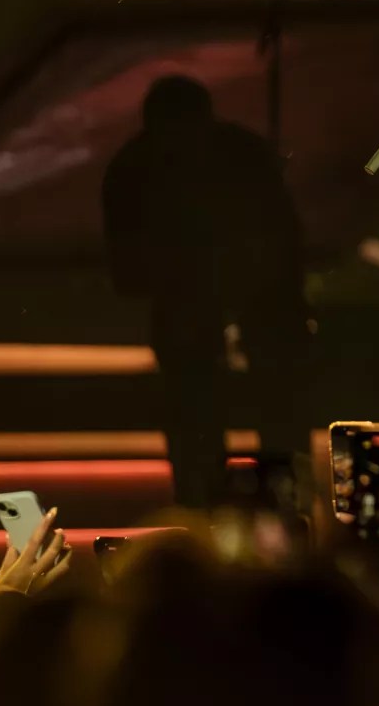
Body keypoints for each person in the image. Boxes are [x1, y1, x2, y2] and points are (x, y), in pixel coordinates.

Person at [101, 72, 314, 507]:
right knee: (213, 418)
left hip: (240, 309)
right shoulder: (234, 156)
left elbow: (282, 240)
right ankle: (257, 506)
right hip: (209, 313)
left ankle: (261, 506)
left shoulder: (137, 166)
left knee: (235, 417)